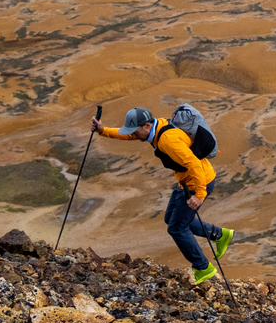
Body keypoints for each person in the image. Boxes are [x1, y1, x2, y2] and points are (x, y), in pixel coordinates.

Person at [96, 104, 233, 285]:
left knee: (176, 228)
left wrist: (199, 195)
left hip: (198, 182)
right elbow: (129, 134)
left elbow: (194, 165)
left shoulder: (167, 139)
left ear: (146, 125)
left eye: (135, 131)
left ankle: (203, 267)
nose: (133, 136)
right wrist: (103, 130)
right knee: (172, 219)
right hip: (186, 182)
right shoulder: (156, 127)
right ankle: (219, 235)